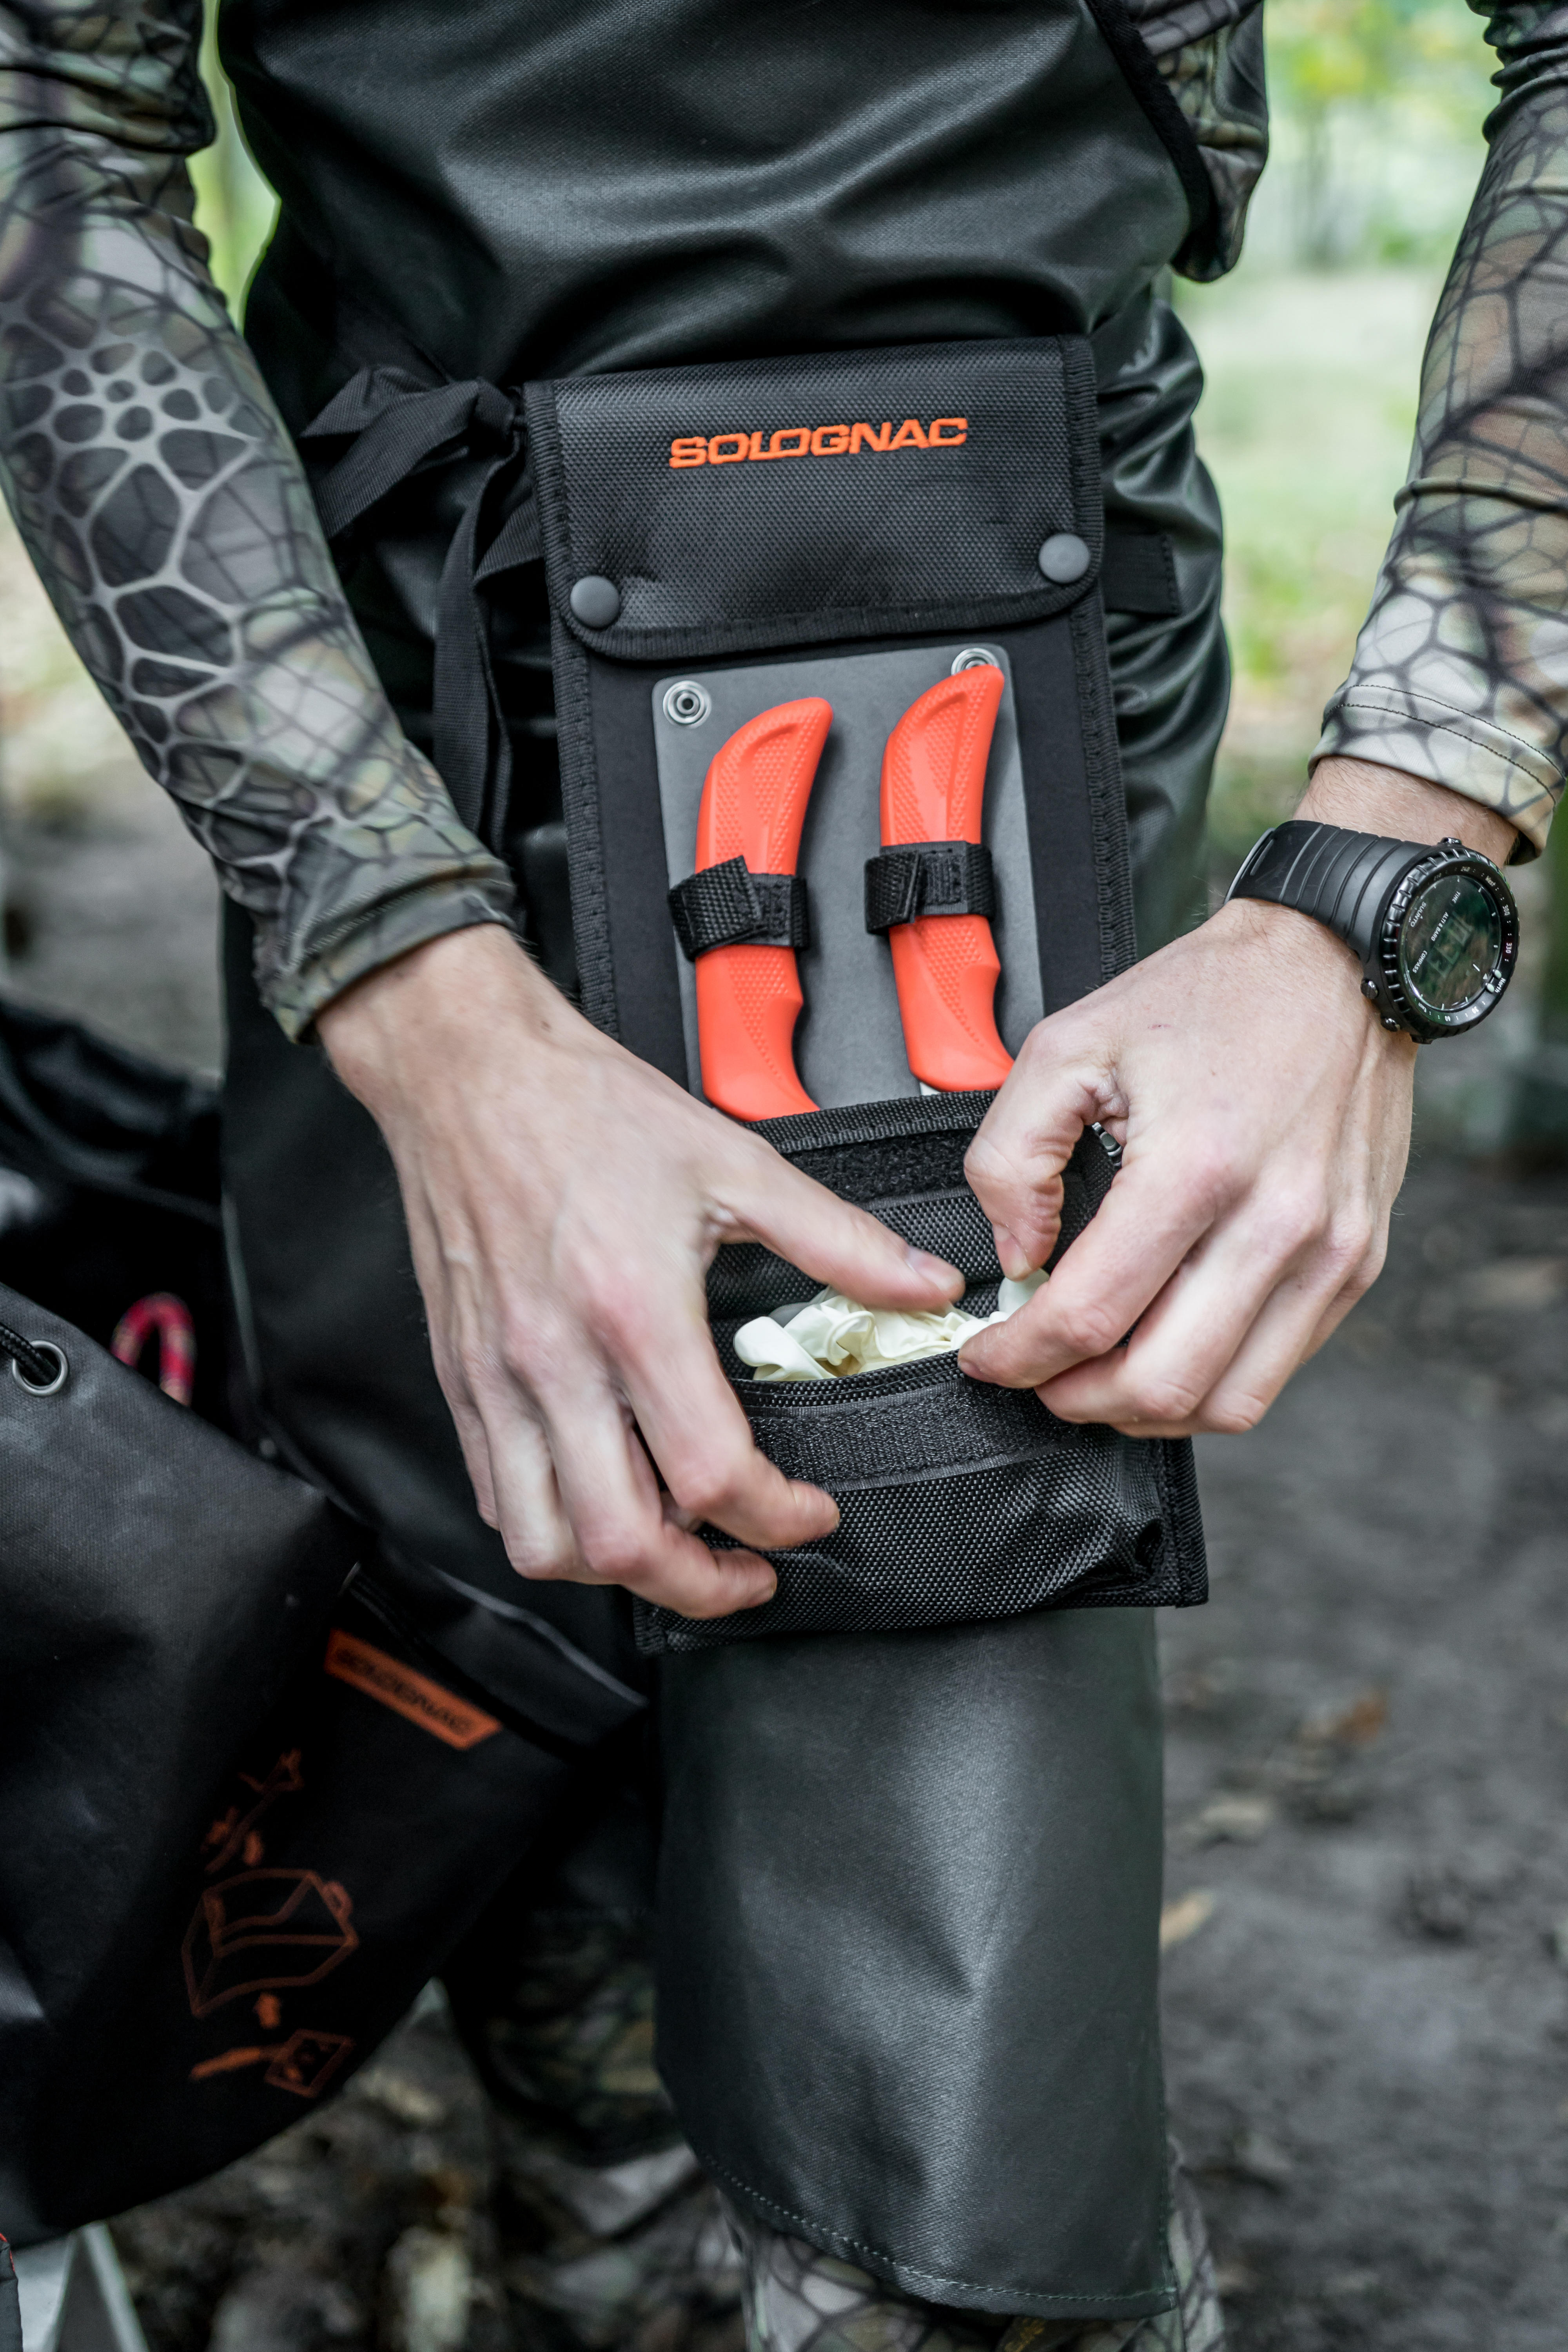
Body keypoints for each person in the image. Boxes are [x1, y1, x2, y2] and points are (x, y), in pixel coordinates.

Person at [0, 0, 1543, 2342]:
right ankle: (601, 2247)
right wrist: (409, 980)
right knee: (485, 1631)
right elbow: (47, 118)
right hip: (367, 695)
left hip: (1003, 662)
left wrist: (1389, 866)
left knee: (955, 2046)